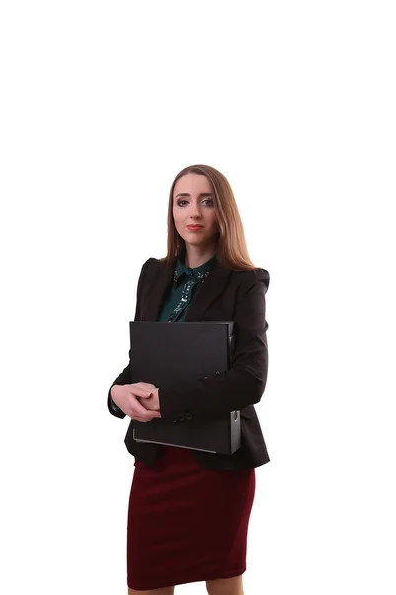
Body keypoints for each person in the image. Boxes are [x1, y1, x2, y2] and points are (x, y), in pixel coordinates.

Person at [108, 164, 270, 595]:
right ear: (172, 212)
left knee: (223, 585)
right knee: (143, 583)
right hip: (157, 457)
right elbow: (141, 361)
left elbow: (250, 380)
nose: (193, 212)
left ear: (223, 212)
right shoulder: (153, 274)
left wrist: (169, 399)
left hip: (217, 469)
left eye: (206, 200)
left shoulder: (245, 283)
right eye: (183, 201)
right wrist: (115, 391)